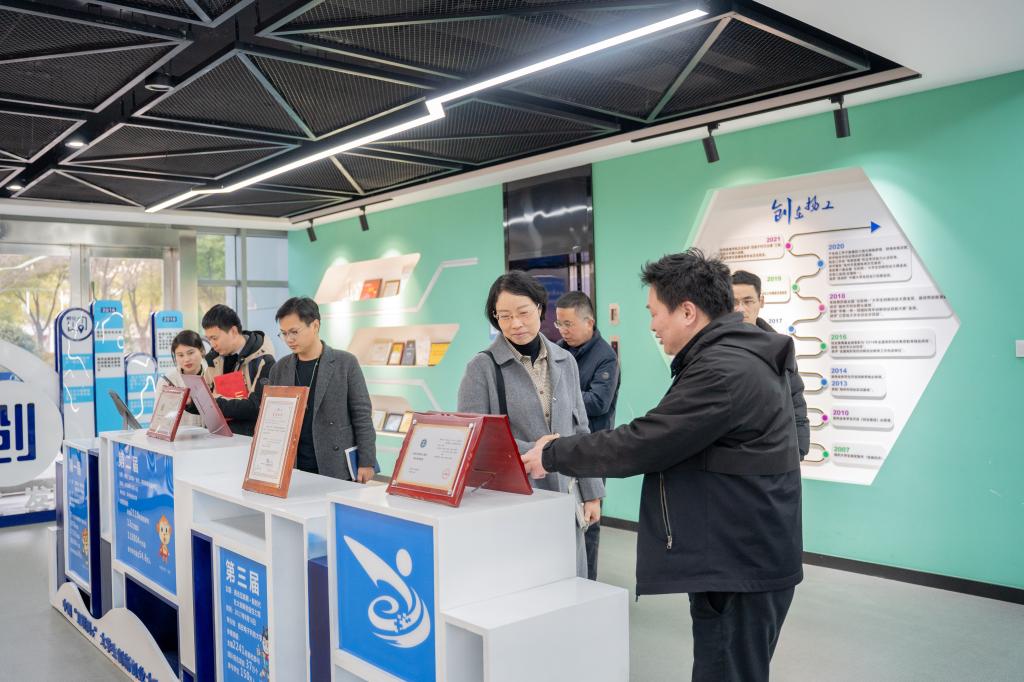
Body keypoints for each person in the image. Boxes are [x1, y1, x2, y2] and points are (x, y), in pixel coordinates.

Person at [523, 250, 802, 682]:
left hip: (740, 564)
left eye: (654, 313)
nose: (652, 325)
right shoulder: (732, 356)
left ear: (687, 312)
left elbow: (645, 441)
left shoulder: (724, 370)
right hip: (743, 553)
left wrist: (554, 453)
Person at [457, 272, 604, 579]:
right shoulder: (481, 368)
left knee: (569, 580)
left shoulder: (565, 361)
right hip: (515, 498)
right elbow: (473, 441)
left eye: (523, 312)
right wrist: (538, 451)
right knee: (527, 581)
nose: (515, 324)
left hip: (566, 495)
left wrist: (592, 493)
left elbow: (581, 431)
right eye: (504, 316)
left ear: (539, 308)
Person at [266, 297, 376, 482]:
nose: (289, 339)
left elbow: (362, 415)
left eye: (294, 332)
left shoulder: (345, 363)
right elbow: (271, 420)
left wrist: (367, 461)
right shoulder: (279, 369)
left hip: (336, 464)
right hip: (294, 465)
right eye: (283, 334)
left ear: (315, 325)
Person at [554, 291, 620, 580]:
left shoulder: (606, 357)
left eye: (568, 324)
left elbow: (598, 402)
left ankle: (587, 583)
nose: (563, 330)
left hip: (593, 449)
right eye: (559, 324)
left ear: (589, 322)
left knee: (588, 521)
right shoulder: (558, 350)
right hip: (563, 447)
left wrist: (559, 396)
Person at [732, 270, 810, 460]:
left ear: (761, 301)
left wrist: (799, 448)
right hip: (735, 456)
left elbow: (795, 396)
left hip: (777, 454)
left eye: (748, 301)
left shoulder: (780, 346)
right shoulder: (717, 347)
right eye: (734, 302)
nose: (740, 309)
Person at [200, 304, 276, 436]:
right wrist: (191, 402)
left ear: (234, 332)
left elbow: (256, 407)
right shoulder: (214, 360)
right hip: (217, 437)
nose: (212, 344)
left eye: (215, 338)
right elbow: (204, 400)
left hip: (247, 440)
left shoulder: (263, 360)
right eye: (209, 339)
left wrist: (214, 402)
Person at [153, 330, 213, 429]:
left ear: (201, 350)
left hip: (210, 436)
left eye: (191, 353)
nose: (186, 359)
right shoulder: (167, 381)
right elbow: (158, 421)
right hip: (180, 436)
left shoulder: (212, 374)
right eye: (180, 355)